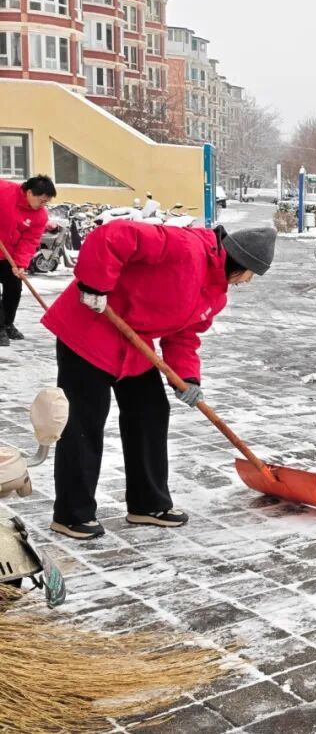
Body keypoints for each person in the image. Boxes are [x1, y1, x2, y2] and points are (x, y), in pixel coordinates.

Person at [41, 221, 277, 540]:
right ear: (241, 262)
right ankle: (72, 514)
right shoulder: (185, 247)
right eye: (251, 274)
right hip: (88, 327)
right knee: (85, 421)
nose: (248, 281)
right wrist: (95, 285)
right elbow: (112, 237)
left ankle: (148, 504)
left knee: (151, 412)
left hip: (132, 342)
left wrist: (188, 378)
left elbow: (184, 335)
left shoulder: (215, 294)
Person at [0, 175, 55, 345]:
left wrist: (20, 264)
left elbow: (30, 240)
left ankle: (8, 324)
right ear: (29, 192)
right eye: (41, 200)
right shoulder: (4, 191)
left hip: (9, 255)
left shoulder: (40, 215)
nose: (43, 205)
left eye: (46, 202)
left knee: (14, 287)